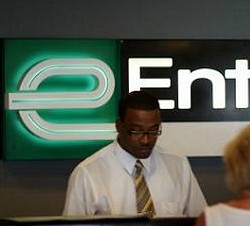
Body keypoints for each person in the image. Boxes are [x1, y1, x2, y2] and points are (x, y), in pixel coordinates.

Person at [63, 90, 207, 217]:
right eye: (136, 131)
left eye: (153, 130)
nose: (146, 140)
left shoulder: (178, 167)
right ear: (119, 126)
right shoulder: (88, 174)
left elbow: (201, 224)